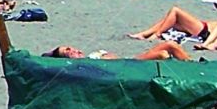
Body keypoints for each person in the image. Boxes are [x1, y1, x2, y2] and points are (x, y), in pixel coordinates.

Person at [47, 41, 191, 61]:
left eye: (71, 47)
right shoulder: (87, 64)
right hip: (129, 66)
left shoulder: (91, 56)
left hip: (129, 60)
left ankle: (195, 68)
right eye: (68, 51)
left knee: (170, 44)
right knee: (162, 54)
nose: (74, 50)